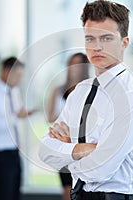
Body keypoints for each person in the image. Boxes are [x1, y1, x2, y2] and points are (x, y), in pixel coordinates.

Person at [39, 1, 133, 200]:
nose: (97, 46)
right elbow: (44, 151)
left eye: (107, 38)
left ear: (124, 42)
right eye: (90, 38)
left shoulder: (131, 95)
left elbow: (101, 170)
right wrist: (83, 149)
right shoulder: (80, 92)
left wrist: (66, 153)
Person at [0, 56, 36, 200]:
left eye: (21, 76)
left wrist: (22, 115)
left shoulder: (14, 92)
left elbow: (16, 116)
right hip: (0, 155)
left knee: (15, 195)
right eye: (17, 75)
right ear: (6, 71)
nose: (19, 79)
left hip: (14, 153)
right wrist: (16, 116)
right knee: (4, 196)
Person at [46, 52, 90, 200]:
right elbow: (50, 117)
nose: (73, 68)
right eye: (71, 63)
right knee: (67, 189)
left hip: (83, 147)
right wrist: (65, 118)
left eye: (77, 64)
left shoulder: (90, 90)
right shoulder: (58, 90)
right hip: (64, 148)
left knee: (85, 189)